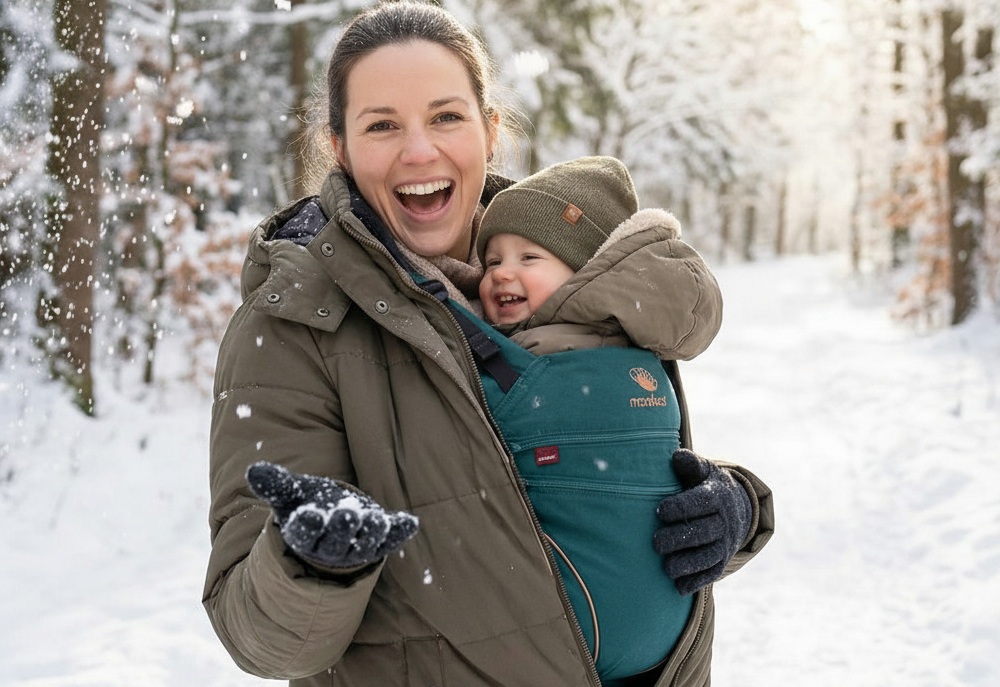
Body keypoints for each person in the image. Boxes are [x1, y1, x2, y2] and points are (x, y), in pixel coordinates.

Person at [203, 2, 774, 686]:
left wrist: (732, 508)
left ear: (490, 128)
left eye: (446, 116)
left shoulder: (565, 272)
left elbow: (576, 481)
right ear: (340, 147)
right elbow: (261, 637)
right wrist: (310, 559)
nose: (420, 151)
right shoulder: (294, 324)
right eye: (382, 125)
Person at [470, 155, 729, 683]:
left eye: (529, 256)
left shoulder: (555, 357)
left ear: (585, 272)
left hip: (577, 641)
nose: (501, 273)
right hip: (654, 648)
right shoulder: (641, 353)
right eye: (492, 260)